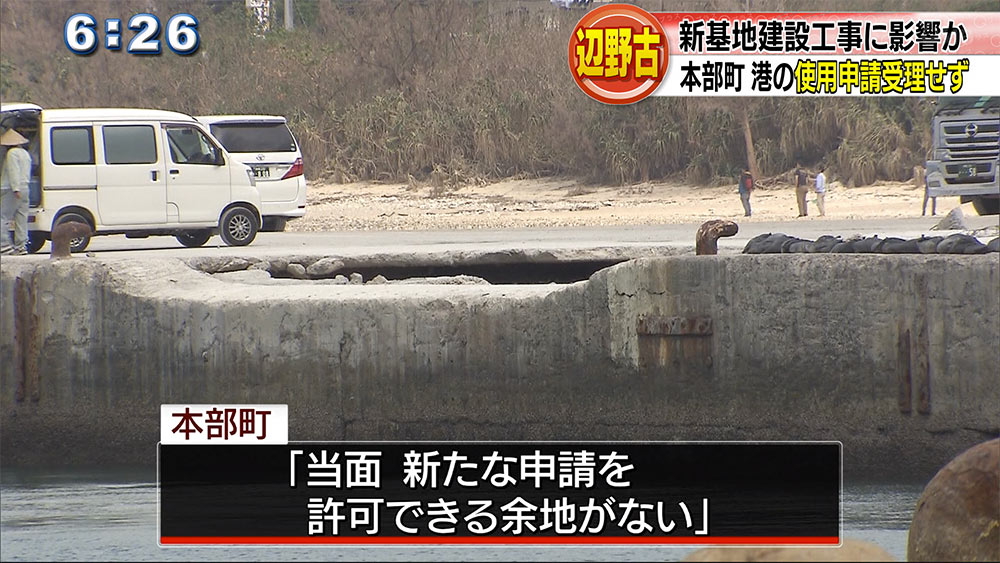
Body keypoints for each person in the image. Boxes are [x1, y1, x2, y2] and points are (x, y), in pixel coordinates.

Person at [1, 128, 32, 255]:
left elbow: (14, 172)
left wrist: (15, 188)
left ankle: (4, 245)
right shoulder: (25, 154)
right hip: (25, 187)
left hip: (11, 188)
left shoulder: (12, 154)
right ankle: (21, 245)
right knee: (22, 217)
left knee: (2, 216)